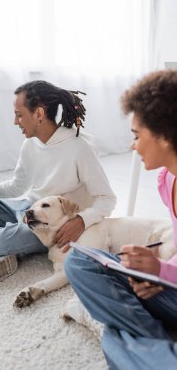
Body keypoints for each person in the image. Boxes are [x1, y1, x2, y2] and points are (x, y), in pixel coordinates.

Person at [0, 80, 116, 292]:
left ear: (38, 114)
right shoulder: (30, 144)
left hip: (51, 224)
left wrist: (81, 221)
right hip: (27, 207)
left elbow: (107, 198)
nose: (15, 121)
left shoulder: (79, 147)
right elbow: (16, 186)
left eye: (19, 115)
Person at [64, 69, 177, 370]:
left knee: (114, 336)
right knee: (79, 261)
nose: (132, 145)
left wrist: (163, 272)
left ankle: (122, 335)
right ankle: (153, 345)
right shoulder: (167, 180)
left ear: (165, 136)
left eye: (137, 136)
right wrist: (154, 273)